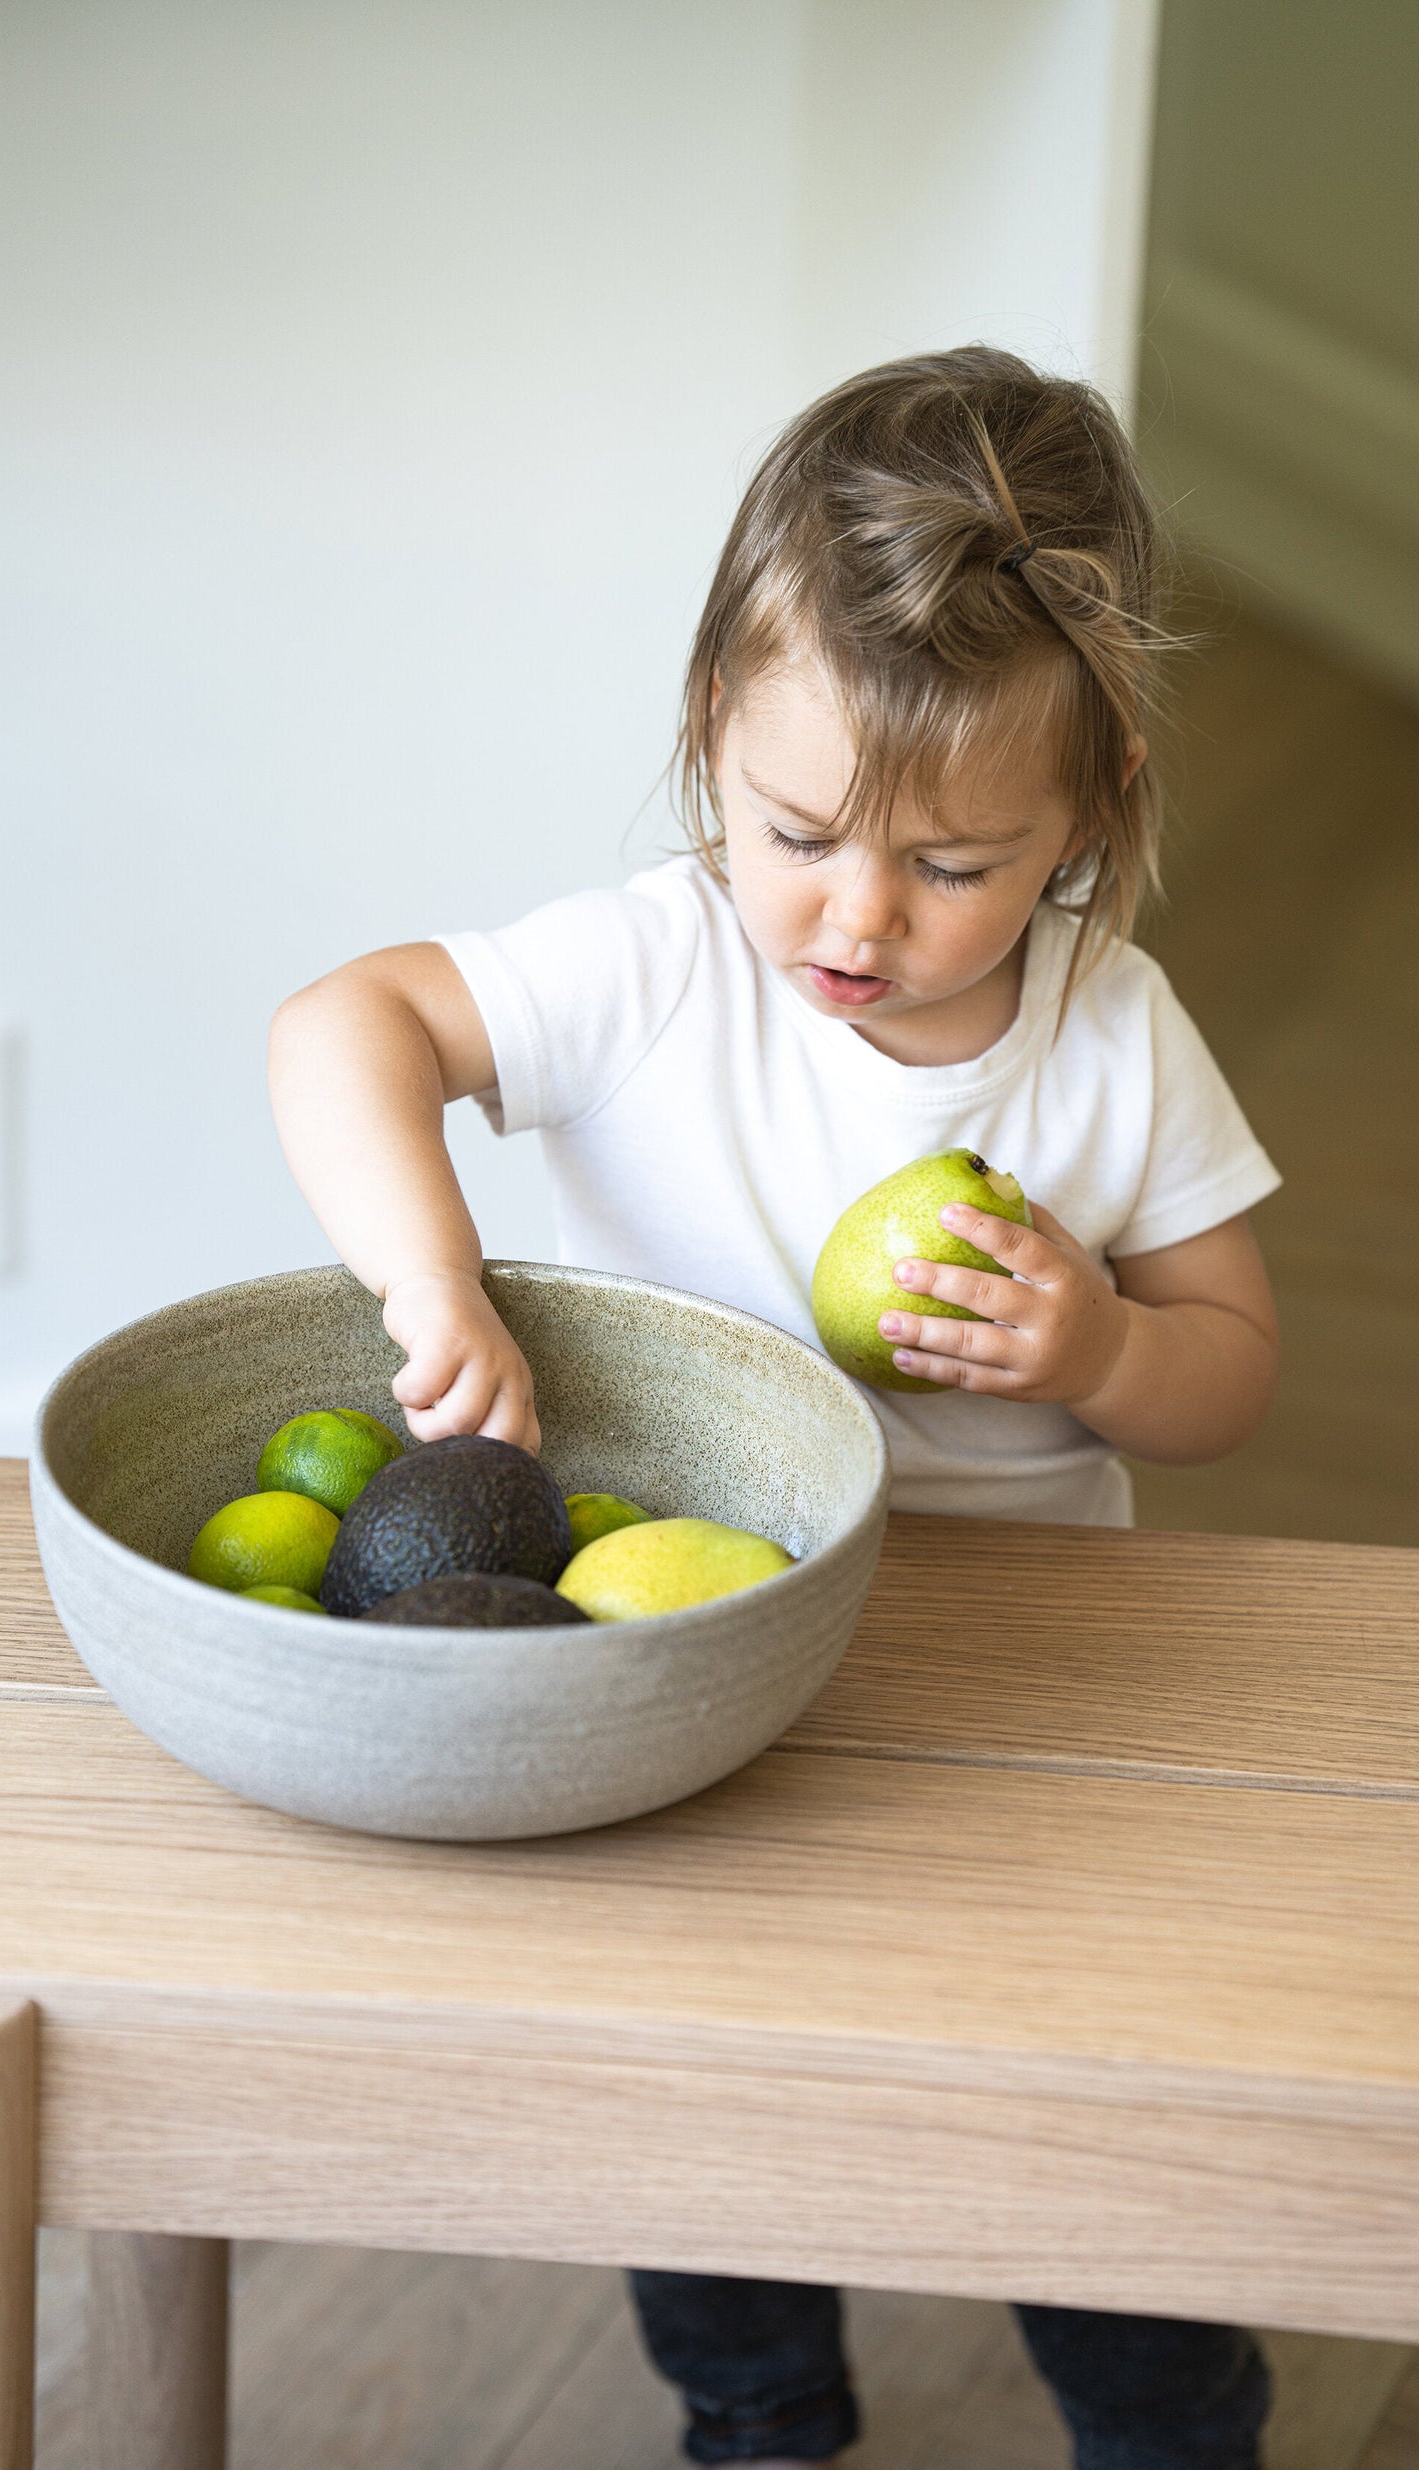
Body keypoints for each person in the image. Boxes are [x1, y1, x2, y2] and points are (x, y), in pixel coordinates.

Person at [268, 347, 1281, 2468]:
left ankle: (1169, 2414)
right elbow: (339, 1022)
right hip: (685, 1647)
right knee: (694, 2081)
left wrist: (1098, 1345)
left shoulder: (1107, 1034)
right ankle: (756, 2417)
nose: (852, 916)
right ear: (709, 746)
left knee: (1074, 2110)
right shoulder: (655, 968)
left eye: (953, 865)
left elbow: (1230, 1365)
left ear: (1084, 818)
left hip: (1017, 1671)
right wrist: (430, 1273)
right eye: (795, 831)